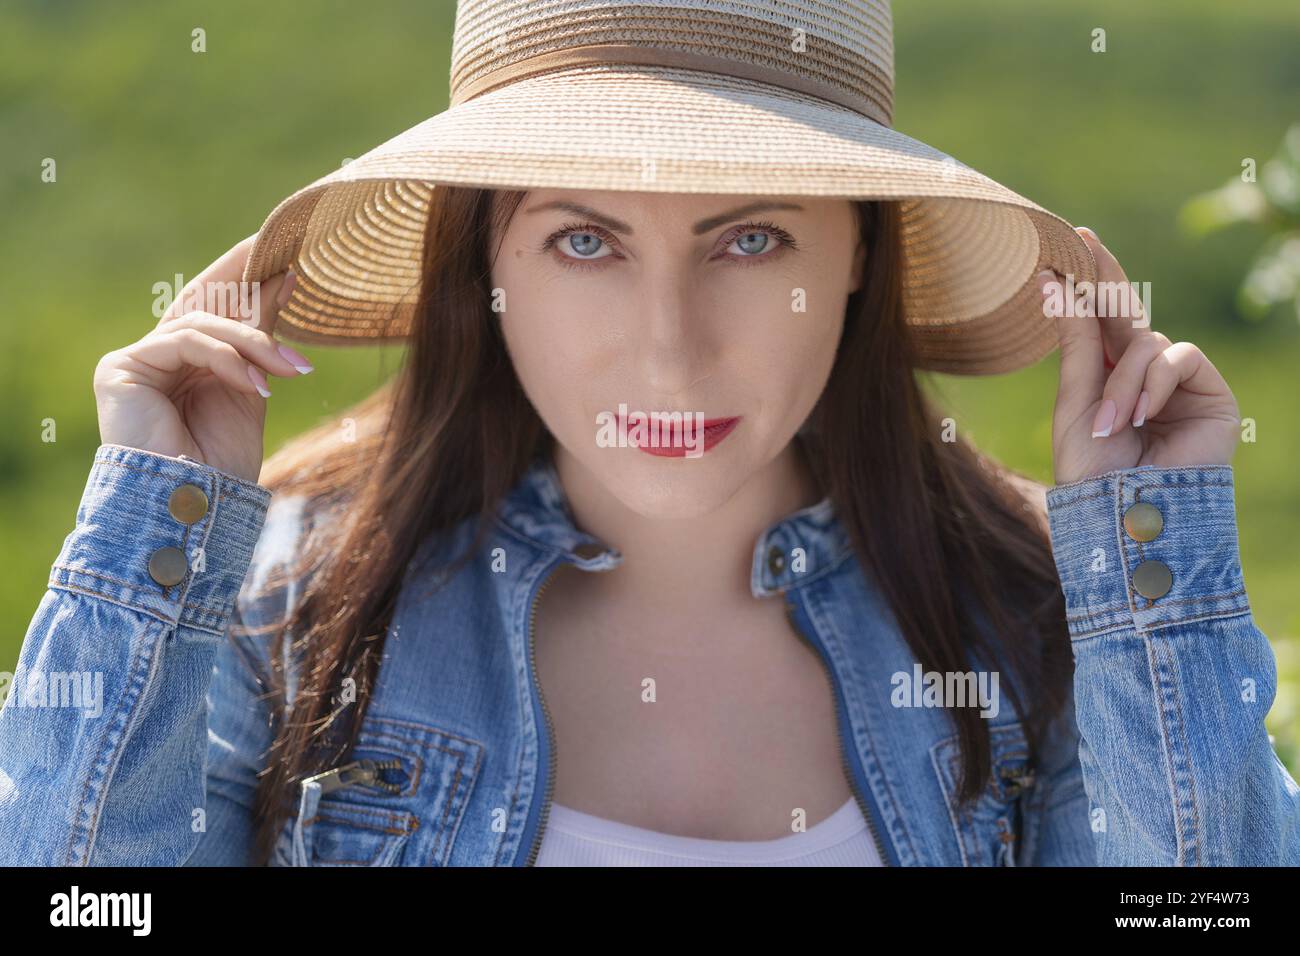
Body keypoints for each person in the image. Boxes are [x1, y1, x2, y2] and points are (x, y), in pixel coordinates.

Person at [2, 0, 1297, 867]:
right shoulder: (276, 607)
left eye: (752, 238)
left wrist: (1150, 578)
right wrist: (154, 551)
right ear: (483, 266)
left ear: (857, 259)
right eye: (584, 240)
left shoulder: (1042, 623)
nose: (669, 345)